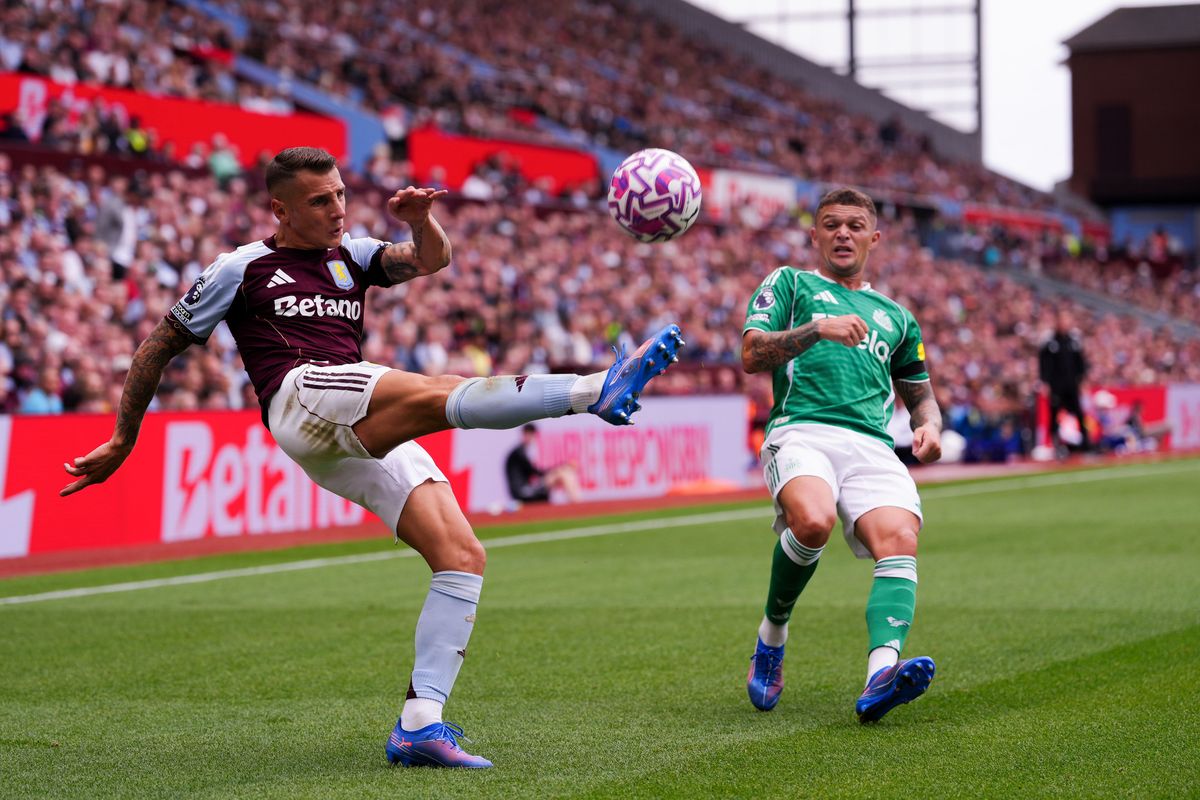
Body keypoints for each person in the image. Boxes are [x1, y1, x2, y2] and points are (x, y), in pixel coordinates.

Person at [59, 146, 684, 769]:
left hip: (344, 427)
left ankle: (419, 723)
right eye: (319, 201)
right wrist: (124, 437)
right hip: (300, 397)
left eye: (339, 194)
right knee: (436, 390)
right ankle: (591, 390)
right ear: (280, 209)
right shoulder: (241, 267)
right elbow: (158, 345)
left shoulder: (352, 255)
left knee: (461, 555)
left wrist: (420, 220)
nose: (337, 208)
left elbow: (432, 259)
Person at [740, 187, 942, 723]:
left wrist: (929, 426)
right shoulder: (790, 283)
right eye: (831, 225)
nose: (843, 234)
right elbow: (751, 354)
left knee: (900, 540)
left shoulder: (897, 317)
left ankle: (881, 674)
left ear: (874, 238)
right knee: (812, 522)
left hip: (872, 445)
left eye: (854, 225)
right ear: (815, 236)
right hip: (802, 430)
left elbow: (920, 393)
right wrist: (816, 330)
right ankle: (772, 637)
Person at [1039, 310, 1089, 454]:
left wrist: (1082, 379)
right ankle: (1054, 444)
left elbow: (1080, 362)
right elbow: (1044, 364)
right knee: (1054, 414)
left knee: (1079, 413)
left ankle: (1085, 443)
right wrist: (1045, 382)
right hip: (1056, 386)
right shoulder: (1050, 341)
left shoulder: (1074, 341)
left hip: (1072, 384)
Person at [505, 423, 581, 505]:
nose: (530, 437)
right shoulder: (519, 452)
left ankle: (577, 503)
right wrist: (558, 469)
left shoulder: (523, 451)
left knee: (566, 472)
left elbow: (535, 472)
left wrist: (559, 468)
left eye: (531, 434)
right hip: (523, 493)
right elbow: (536, 472)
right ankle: (577, 505)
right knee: (563, 473)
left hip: (526, 489)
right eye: (528, 434)